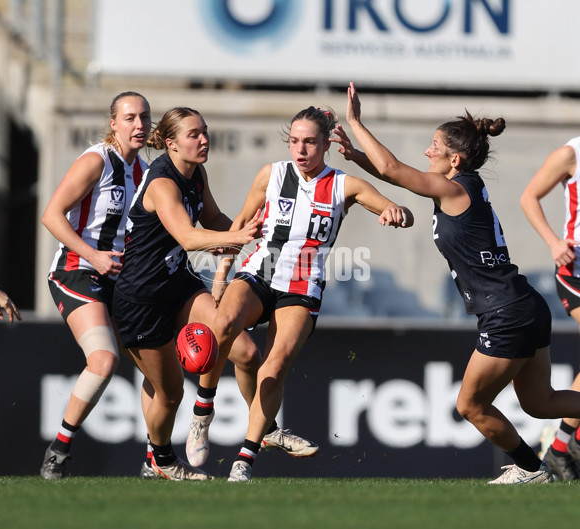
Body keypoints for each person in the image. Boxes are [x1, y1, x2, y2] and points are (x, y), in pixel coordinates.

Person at [337, 80, 580, 484]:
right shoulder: (458, 188)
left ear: (454, 159)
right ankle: (535, 469)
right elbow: (394, 175)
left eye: (435, 146)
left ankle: (531, 468)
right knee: (541, 402)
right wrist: (355, 155)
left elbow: (393, 169)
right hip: (523, 304)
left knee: (470, 405)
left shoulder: (453, 189)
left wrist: (356, 122)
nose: (427, 151)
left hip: (506, 313)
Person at [209, 106, 414, 482]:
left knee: (274, 366)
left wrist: (395, 212)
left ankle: (244, 460)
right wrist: (221, 275)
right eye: (294, 141)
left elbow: (399, 210)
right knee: (221, 325)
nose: (300, 150)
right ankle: (202, 413)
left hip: (303, 284)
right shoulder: (271, 174)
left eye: (309, 142)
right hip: (259, 269)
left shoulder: (344, 185)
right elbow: (239, 225)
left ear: (325, 146)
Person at [111, 106, 271, 481]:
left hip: (177, 283)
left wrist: (251, 231)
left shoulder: (196, 172)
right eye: (194, 134)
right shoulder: (162, 183)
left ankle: (215, 414)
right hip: (141, 299)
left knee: (244, 351)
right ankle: (161, 461)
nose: (204, 139)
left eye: (205, 131)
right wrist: (236, 238)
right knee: (167, 393)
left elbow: (211, 220)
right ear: (171, 144)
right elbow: (188, 236)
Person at [39, 91, 151, 479]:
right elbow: (51, 215)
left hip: (120, 281)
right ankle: (59, 449)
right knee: (103, 361)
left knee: (158, 366)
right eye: (130, 117)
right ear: (113, 123)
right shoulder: (95, 161)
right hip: (77, 271)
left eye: (144, 117)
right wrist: (94, 254)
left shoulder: (143, 171)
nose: (139, 124)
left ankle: (158, 459)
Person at [520, 136, 580, 480]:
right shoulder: (570, 154)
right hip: (576, 268)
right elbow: (529, 197)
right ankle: (561, 449)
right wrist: (554, 242)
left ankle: (563, 449)